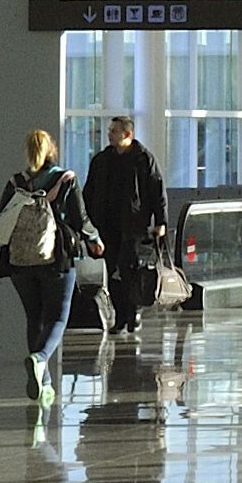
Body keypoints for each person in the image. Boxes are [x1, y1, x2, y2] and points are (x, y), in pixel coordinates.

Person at [0, 129, 93, 412]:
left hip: (20, 261)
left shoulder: (16, 183)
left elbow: (1, 220)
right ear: (51, 151)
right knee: (58, 316)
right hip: (54, 259)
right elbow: (80, 219)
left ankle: (43, 383)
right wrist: (95, 240)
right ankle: (40, 358)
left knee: (34, 316)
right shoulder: (66, 179)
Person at [82, 118, 169, 345]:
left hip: (134, 226)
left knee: (129, 269)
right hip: (106, 225)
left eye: (114, 131)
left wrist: (161, 221)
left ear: (127, 134)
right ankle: (122, 316)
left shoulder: (143, 159)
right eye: (110, 131)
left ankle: (132, 313)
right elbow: (89, 192)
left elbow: (156, 191)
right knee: (112, 272)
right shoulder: (102, 160)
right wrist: (86, 225)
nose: (109, 135)